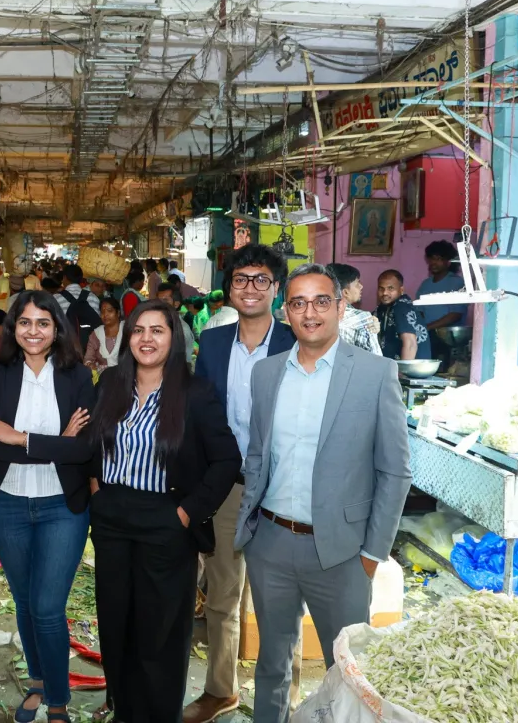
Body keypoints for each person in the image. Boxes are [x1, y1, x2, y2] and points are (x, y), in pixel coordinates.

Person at [236, 263, 412, 723]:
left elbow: (395, 471)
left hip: (342, 551)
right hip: (271, 543)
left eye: (320, 301)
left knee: (349, 671)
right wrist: (250, 532)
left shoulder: (375, 373)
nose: (309, 313)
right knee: (272, 662)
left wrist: (372, 553)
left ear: (340, 307)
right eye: (298, 303)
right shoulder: (267, 373)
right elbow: (257, 454)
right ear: (285, 311)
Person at [87, 300, 241, 723]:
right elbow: (93, 442)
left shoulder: (194, 392)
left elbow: (227, 459)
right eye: (138, 330)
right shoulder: (111, 383)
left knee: (160, 630)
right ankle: (123, 708)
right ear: (128, 338)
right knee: (116, 621)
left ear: (174, 338)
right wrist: (96, 489)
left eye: (158, 330)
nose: (147, 339)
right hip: (112, 518)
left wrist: (187, 512)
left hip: (166, 519)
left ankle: (157, 714)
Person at [183, 244, 296, 723]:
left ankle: (281, 702)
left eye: (261, 279)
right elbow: (201, 412)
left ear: (276, 289)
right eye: (241, 279)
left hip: (283, 488)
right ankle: (221, 690)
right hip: (229, 485)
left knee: (280, 600)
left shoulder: (295, 341)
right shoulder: (212, 342)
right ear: (229, 288)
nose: (250, 287)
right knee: (223, 592)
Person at [0, 291, 96, 723]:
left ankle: (58, 701)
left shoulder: (77, 375)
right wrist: (56, 443)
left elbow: (84, 449)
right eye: (24, 322)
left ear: (57, 328)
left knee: (47, 607)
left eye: (43, 323)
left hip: (62, 506)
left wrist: (21, 438)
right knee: (25, 601)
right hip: (6, 504)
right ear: (14, 328)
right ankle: (39, 681)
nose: (33, 331)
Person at [417, 240, 466, 366]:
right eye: (431, 259)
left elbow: (455, 315)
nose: (433, 262)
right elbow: (419, 312)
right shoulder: (425, 285)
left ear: (448, 261)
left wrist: (428, 327)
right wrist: (421, 328)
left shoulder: (456, 282)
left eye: (438, 259)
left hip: (449, 337)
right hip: (427, 335)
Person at [326, 263, 381, 355]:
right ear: (345, 292)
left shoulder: (315, 315)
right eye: (357, 283)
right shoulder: (362, 318)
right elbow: (376, 357)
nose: (361, 286)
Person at [376, 269, 431, 360]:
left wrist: (403, 369)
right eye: (381, 288)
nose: (385, 293)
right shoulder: (383, 309)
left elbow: (410, 345)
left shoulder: (402, 307)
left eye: (390, 288)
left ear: (401, 290)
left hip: (409, 367)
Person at [56, 265, 102, 350]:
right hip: (89, 348)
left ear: (64, 277)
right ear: (81, 279)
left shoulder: (56, 299)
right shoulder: (93, 298)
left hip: (65, 348)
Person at [155, 282, 196, 364]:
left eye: (165, 300)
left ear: (176, 304)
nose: (160, 304)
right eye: (158, 300)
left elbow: (181, 363)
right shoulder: (158, 323)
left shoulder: (181, 330)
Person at [84, 297, 123, 371]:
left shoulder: (127, 330)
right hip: (102, 374)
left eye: (109, 311)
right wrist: (89, 364)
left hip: (126, 373)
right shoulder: (96, 334)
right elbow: (88, 358)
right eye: (102, 312)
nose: (105, 315)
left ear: (118, 313)